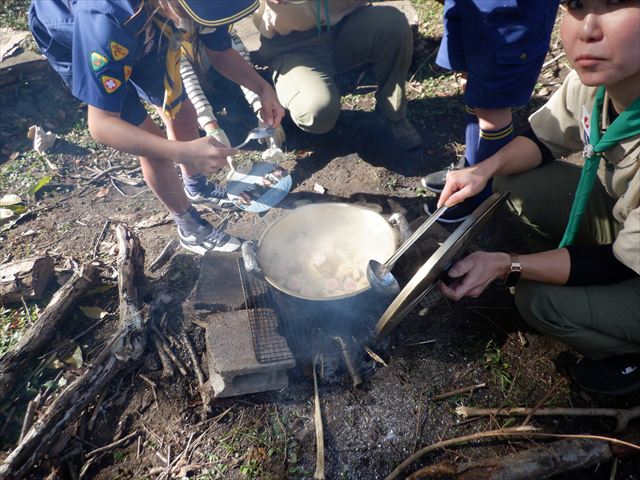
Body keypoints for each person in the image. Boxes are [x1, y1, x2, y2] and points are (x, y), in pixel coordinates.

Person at [435, 0, 640, 395]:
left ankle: (627, 357)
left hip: (630, 266)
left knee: (538, 301)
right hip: (625, 230)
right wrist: (483, 170)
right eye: (578, 5)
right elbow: (541, 140)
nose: (587, 29)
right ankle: (560, 263)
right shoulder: (596, 86)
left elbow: (618, 266)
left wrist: (508, 266)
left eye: (614, 3)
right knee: (515, 178)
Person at [28, 0, 285, 255]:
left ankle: (197, 188)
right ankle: (189, 227)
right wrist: (182, 151)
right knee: (153, 145)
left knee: (183, 112)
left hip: (152, 25)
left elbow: (219, 51)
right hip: (83, 39)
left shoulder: (199, 6)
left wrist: (262, 88)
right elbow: (102, 124)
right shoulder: (106, 16)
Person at [422, 0, 560, 223]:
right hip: (470, 9)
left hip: (507, 16)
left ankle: (484, 195)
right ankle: (471, 169)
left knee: (492, 110)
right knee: (471, 84)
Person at [251, 0, 422, 150]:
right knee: (317, 112)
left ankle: (392, 115)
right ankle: (287, 95)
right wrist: (257, 96)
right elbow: (227, 36)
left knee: (392, 24)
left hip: (346, 25)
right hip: (292, 46)